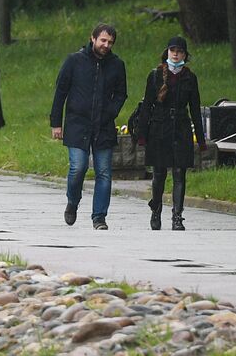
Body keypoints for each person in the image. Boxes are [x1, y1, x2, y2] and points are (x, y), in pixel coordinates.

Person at [50, 23, 128, 230]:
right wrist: (56, 123)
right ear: (92, 39)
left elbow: (121, 93)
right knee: (78, 167)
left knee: (104, 172)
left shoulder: (116, 65)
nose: (106, 45)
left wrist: (111, 112)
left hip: (103, 125)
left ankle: (99, 217)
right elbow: (60, 92)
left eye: (110, 42)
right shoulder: (74, 61)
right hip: (78, 124)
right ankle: (72, 201)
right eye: (102, 40)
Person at [138, 36, 205, 231]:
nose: (176, 54)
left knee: (179, 172)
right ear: (167, 52)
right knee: (159, 172)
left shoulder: (190, 78)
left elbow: (195, 109)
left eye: (180, 51)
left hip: (181, 128)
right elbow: (147, 106)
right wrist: (142, 134)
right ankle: (156, 210)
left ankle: (177, 216)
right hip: (160, 128)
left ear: (185, 54)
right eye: (172, 50)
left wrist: (200, 140)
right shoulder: (155, 75)